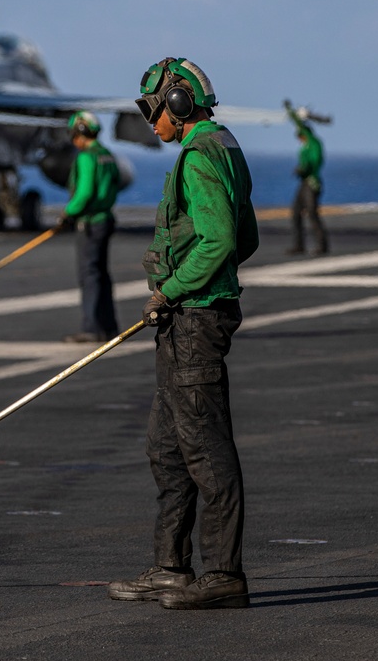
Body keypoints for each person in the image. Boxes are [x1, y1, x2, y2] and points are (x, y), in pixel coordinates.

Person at [108, 58, 259, 610]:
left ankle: (222, 574)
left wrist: (172, 289)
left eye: (154, 110)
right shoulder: (225, 146)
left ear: (177, 104)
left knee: (204, 448)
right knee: (167, 447)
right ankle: (171, 567)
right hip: (189, 315)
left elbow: (220, 241)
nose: (151, 122)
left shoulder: (199, 156)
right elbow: (246, 237)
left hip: (193, 319)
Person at [56, 111, 121, 343]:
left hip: (91, 223)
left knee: (89, 276)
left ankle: (92, 328)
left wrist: (67, 213)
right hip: (106, 219)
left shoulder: (86, 157)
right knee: (101, 274)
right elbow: (116, 183)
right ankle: (108, 326)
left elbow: (84, 193)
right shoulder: (107, 155)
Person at [285, 99, 329, 255]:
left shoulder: (313, 143)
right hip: (304, 183)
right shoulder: (306, 145)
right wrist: (290, 111)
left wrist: (304, 169)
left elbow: (314, 162)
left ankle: (322, 246)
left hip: (312, 182)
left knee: (312, 214)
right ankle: (299, 245)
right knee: (296, 213)